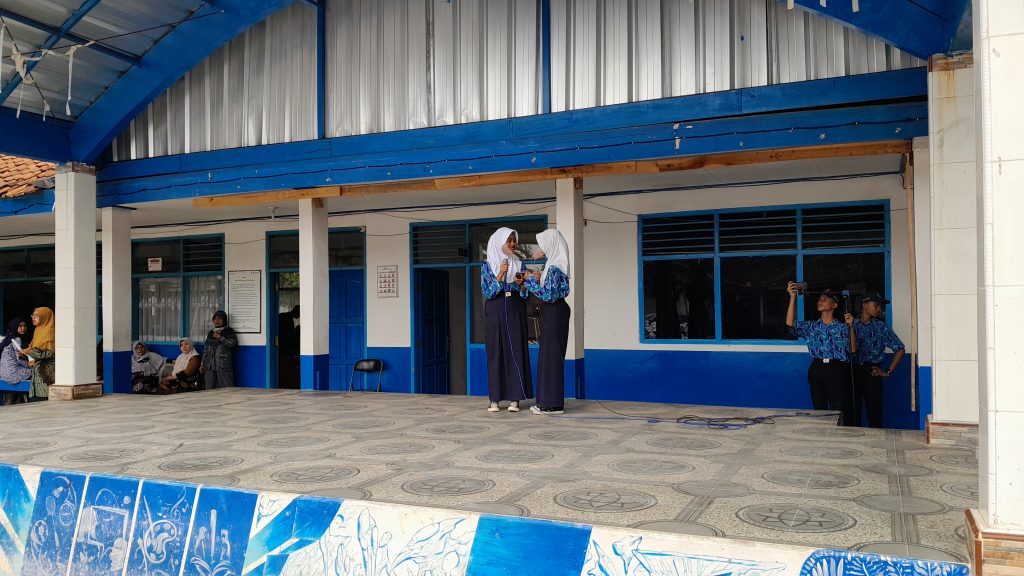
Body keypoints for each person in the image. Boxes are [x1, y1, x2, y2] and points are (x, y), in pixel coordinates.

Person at [785, 284, 857, 426]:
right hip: (816, 368)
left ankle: (839, 436)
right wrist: (793, 297)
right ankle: (822, 435)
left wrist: (851, 326)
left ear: (834, 305)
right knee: (819, 409)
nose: (820, 301)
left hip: (836, 369)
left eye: (824, 299)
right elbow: (790, 323)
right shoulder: (812, 326)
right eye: (819, 299)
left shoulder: (842, 327)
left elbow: (853, 349)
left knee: (838, 409)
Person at [481, 227, 533, 412]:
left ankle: (515, 399)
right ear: (499, 242)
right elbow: (488, 292)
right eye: (508, 240)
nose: (512, 244)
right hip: (495, 309)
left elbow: (525, 294)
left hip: (515, 308)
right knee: (496, 351)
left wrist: (522, 286)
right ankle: (494, 399)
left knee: (515, 350)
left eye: (514, 240)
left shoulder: (519, 264)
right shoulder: (488, 265)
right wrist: (501, 274)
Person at [525, 229, 571, 415]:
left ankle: (551, 405)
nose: (541, 248)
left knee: (551, 357)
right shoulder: (555, 265)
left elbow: (549, 296)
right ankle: (547, 402)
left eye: (544, 244)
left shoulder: (554, 267)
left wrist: (530, 283)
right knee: (549, 356)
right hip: (555, 311)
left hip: (554, 310)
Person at [852, 293, 906, 428]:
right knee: (852, 412)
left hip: (872, 372)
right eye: (876, 305)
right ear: (865, 305)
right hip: (852, 371)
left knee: (875, 413)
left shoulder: (881, 327)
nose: (879, 309)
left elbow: (900, 349)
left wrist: (887, 372)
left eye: (880, 306)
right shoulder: (852, 324)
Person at [19, 307, 56, 402]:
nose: (33, 318)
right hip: (36, 373)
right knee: (35, 402)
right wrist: (25, 353)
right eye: (32, 315)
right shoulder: (37, 331)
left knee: (44, 401)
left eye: (36, 316)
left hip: (46, 374)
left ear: (45, 317)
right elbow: (33, 349)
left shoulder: (51, 332)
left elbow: (51, 353)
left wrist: (30, 352)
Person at [201, 310, 237, 389]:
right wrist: (202, 364)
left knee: (227, 388)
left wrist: (220, 337)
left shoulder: (229, 331)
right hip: (210, 366)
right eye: (215, 318)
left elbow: (232, 343)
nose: (217, 320)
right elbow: (206, 349)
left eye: (219, 318)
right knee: (209, 388)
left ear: (224, 320)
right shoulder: (211, 333)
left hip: (222, 365)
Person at [1, 318, 32, 404]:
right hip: (12, 373)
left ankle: (16, 399)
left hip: (3, 373)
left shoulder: (6, 339)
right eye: (20, 326)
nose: (23, 328)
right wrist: (30, 365)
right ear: (15, 327)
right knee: (34, 372)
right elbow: (19, 359)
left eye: (25, 326)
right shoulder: (17, 339)